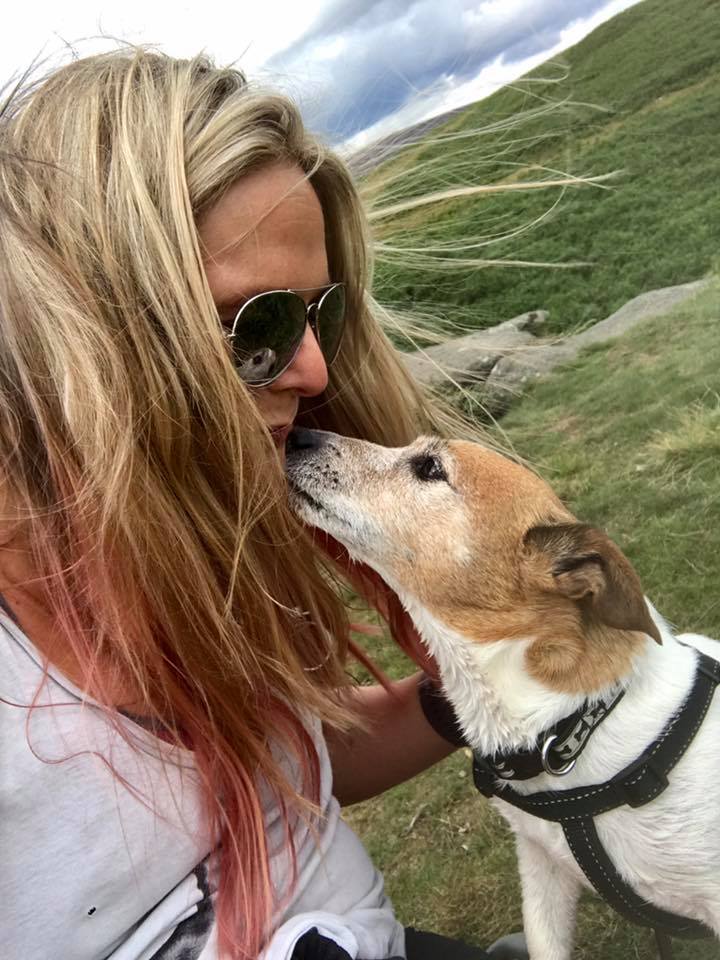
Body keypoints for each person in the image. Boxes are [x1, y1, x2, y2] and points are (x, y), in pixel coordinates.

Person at [0, 49, 522, 960]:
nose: (314, 371)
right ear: (76, 339)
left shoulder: (206, 526)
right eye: (258, 325)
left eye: (322, 314)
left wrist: (486, 691)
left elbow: (291, 768)